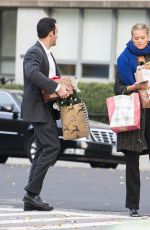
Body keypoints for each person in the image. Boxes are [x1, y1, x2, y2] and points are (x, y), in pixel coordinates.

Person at [21, 17, 71, 211]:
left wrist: (66, 87)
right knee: (52, 147)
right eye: (56, 32)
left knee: (43, 150)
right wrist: (57, 86)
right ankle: (31, 193)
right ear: (51, 33)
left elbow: (51, 78)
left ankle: (31, 198)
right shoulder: (34, 51)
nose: (57, 35)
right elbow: (32, 73)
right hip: (37, 108)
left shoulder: (48, 54)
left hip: (46, 109)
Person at [114, 23, 150, 217]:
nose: (139, 40)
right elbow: (117, 88)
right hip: (134, 113)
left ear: (148, 37)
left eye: (142, 37)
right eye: (136, 37)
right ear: (131, 37)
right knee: (132, 163)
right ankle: (133, 206)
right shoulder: (123, 59)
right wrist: (133, 87)